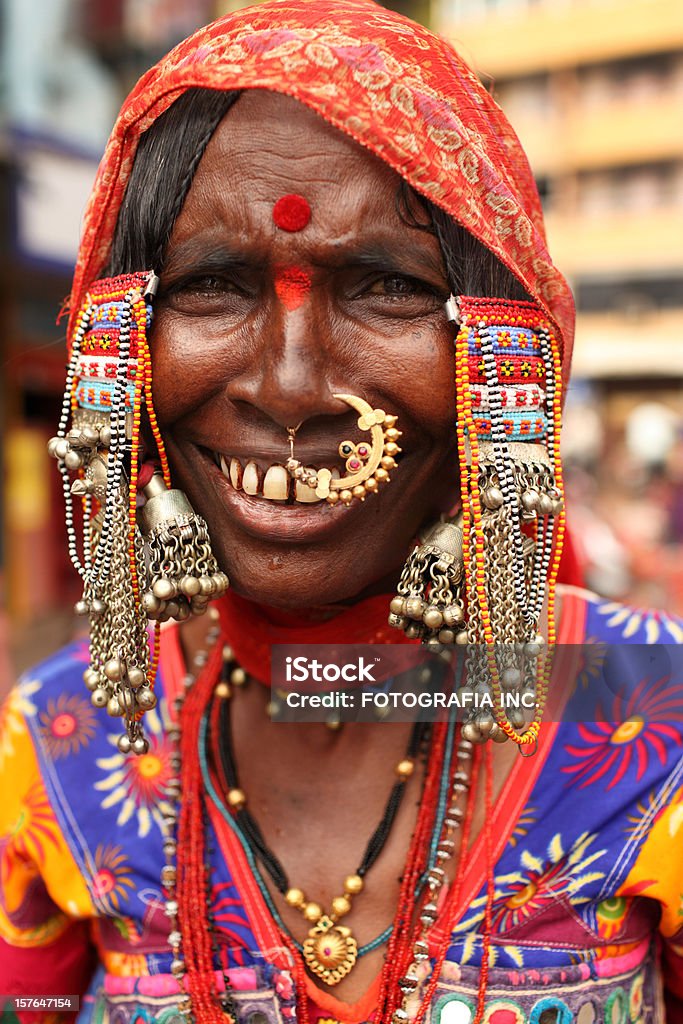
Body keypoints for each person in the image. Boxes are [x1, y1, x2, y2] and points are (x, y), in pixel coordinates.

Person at [1, 2, 682, 1023]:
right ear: (116, 352)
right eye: (211, 286)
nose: (287, 386)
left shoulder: (657, 724)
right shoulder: (55, 751)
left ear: (503, 353)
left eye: (381, 287)